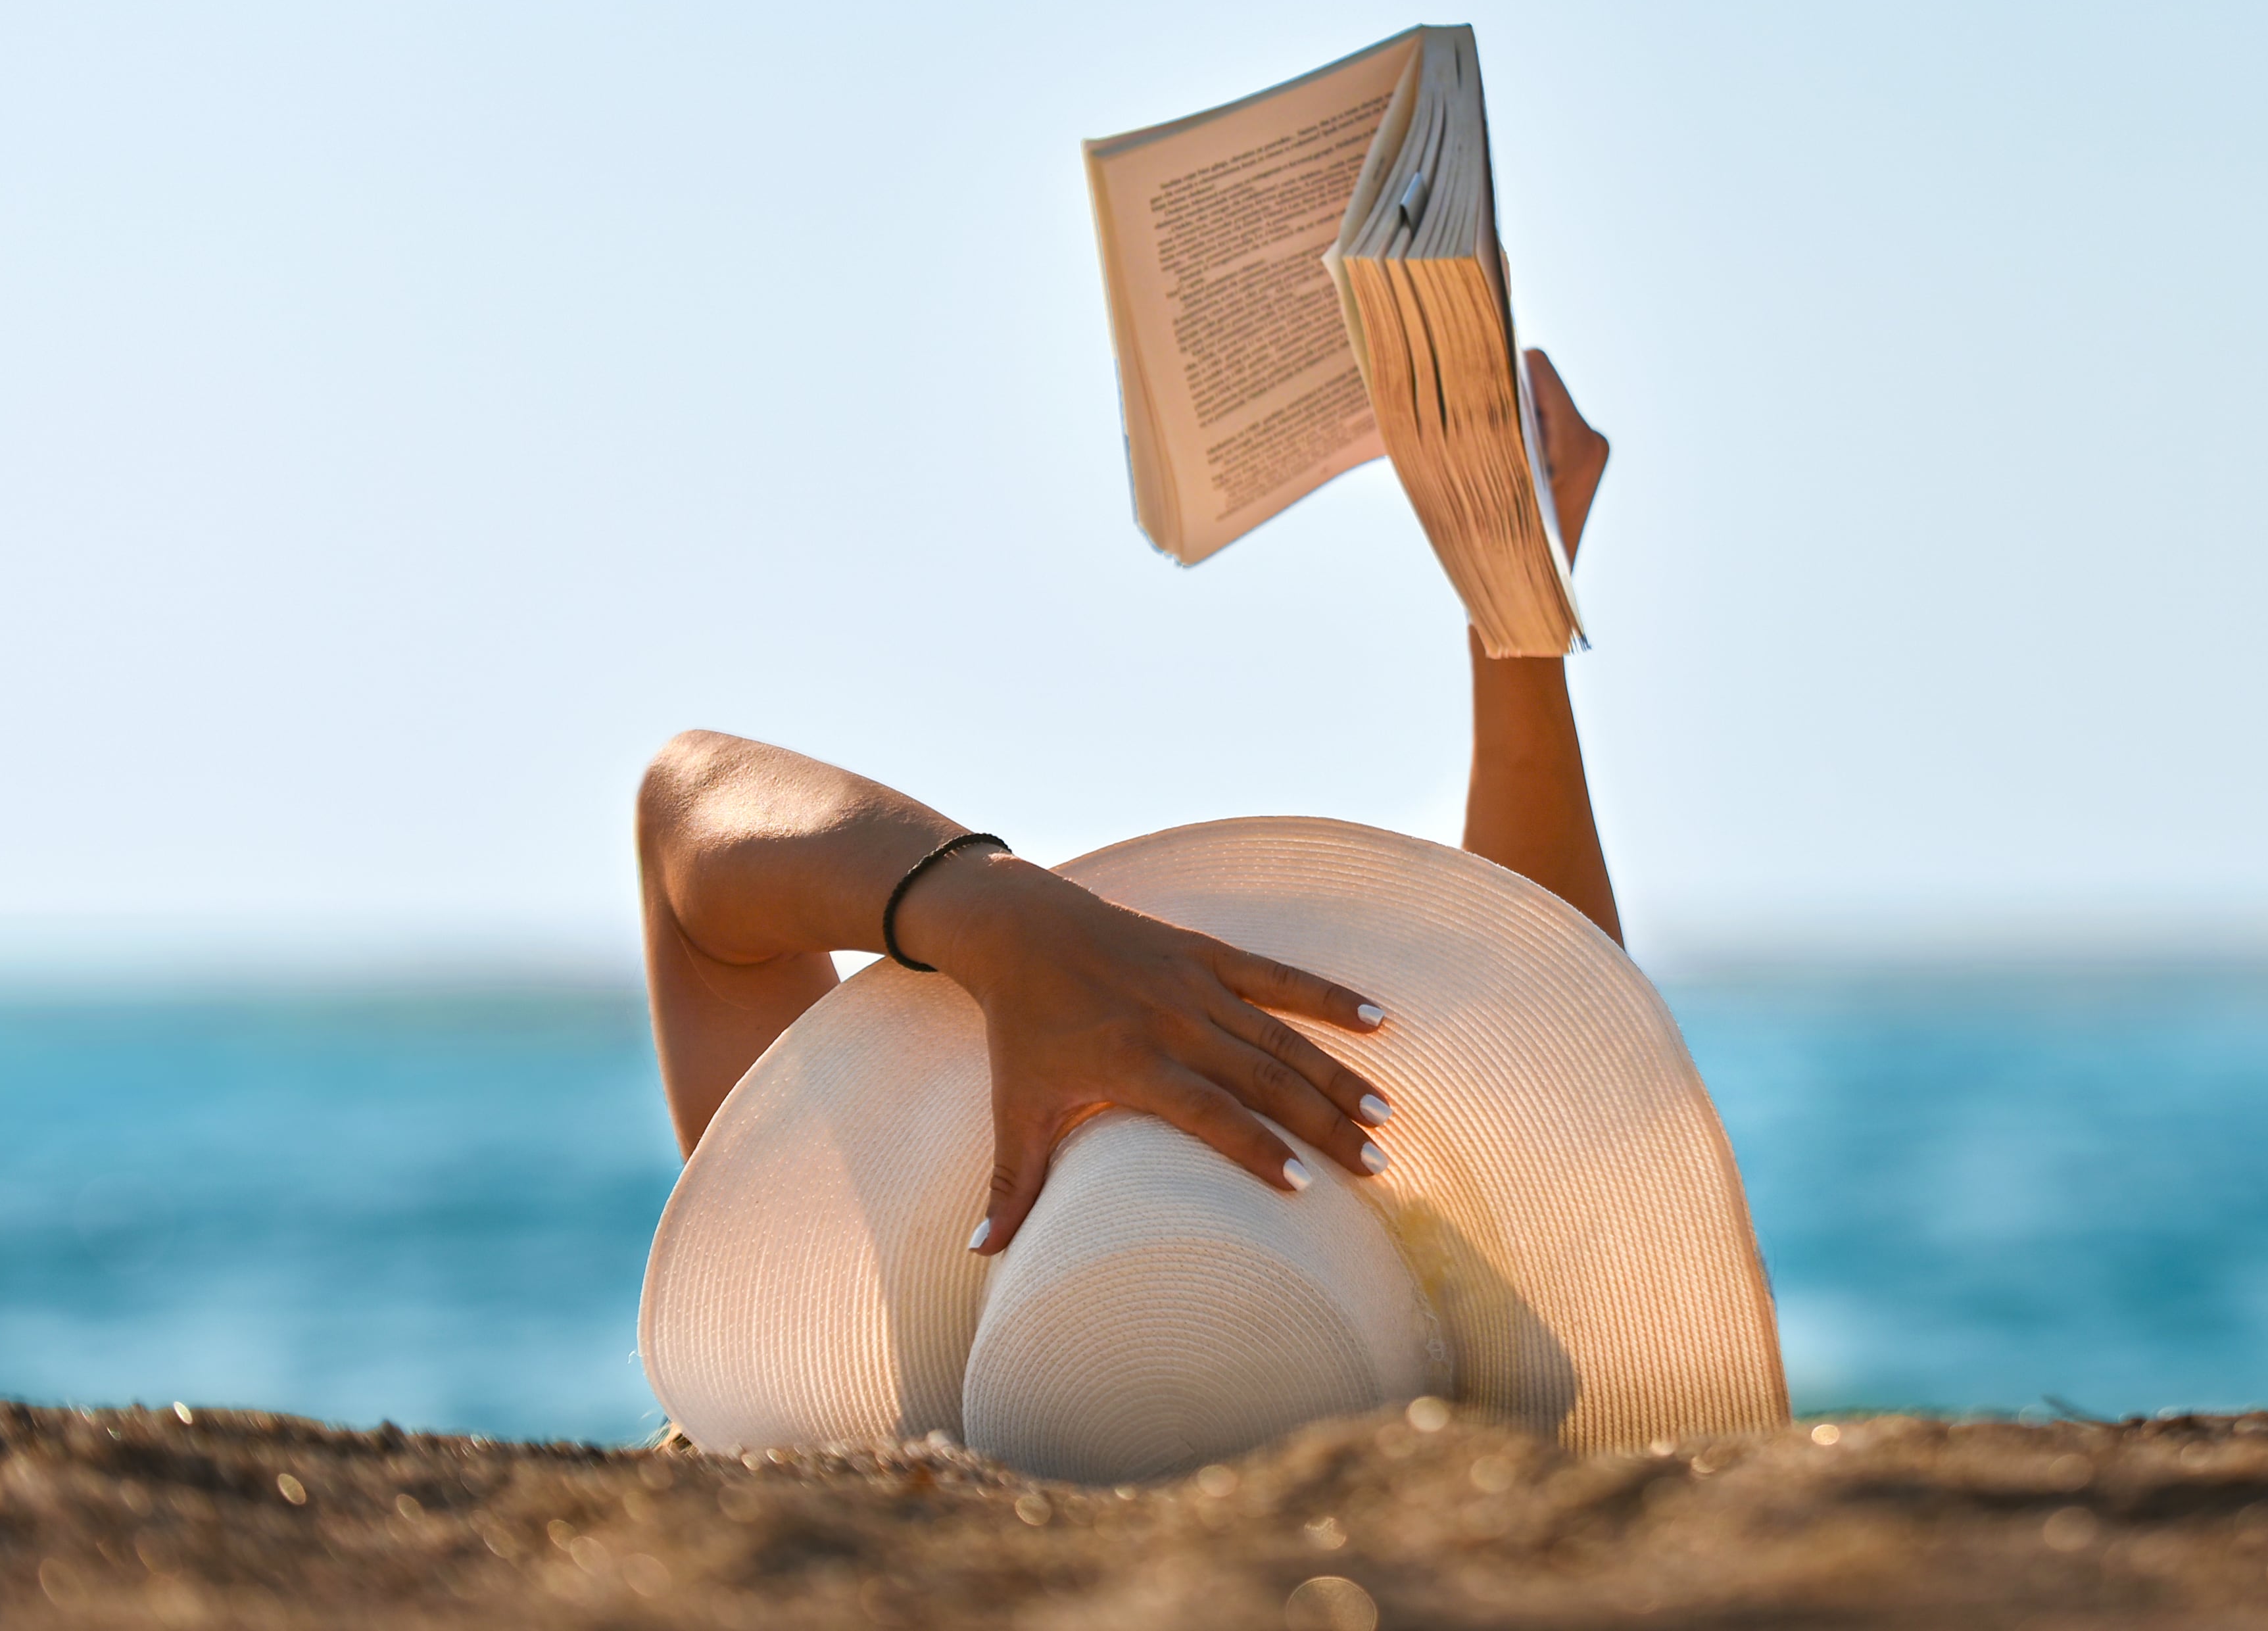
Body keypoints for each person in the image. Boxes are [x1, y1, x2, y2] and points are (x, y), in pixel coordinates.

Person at [634, 351, 1620, 1254]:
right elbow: (1561, 1002)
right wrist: (1515, 612)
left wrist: (1004, 922)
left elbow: (691, 801)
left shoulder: (857, 1376)